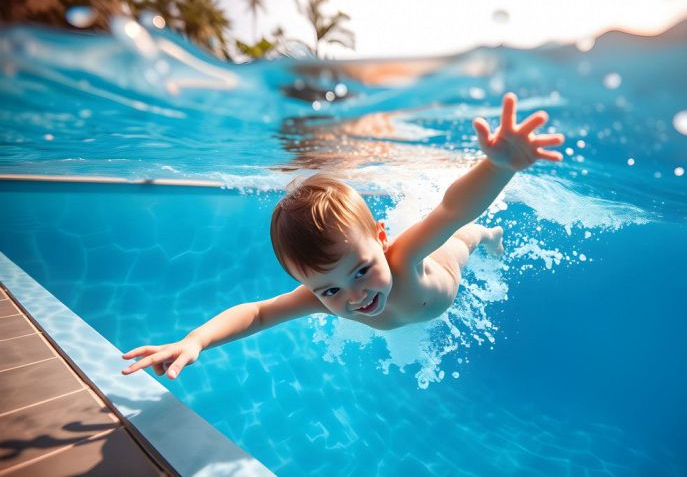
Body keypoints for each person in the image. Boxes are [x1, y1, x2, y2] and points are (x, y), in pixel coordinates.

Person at [121, 93, 564, 379]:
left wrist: (498, 165)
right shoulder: (324, 295)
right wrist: (195, 339)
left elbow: (453, 209)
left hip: (447, 257)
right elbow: (257, 314)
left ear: (382, 240)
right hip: (419, 284)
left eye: (362, 269)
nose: (354, 297)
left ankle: (490, 236)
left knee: (468, 234)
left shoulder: (402, 256)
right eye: (329, 288)